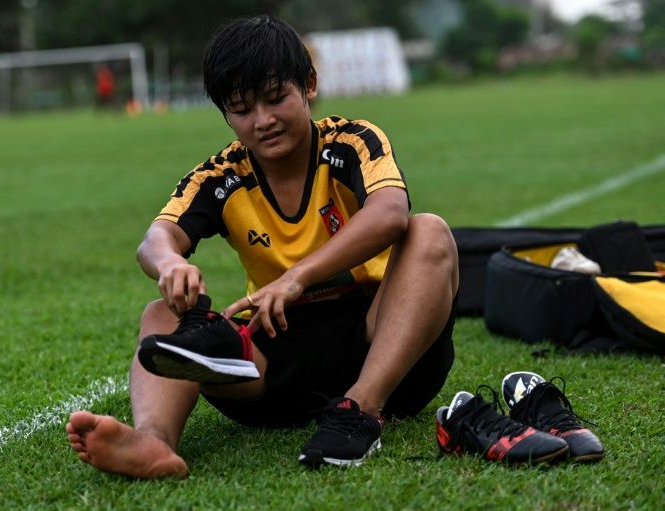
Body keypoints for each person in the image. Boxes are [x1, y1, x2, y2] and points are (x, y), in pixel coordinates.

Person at [66, 14, 459, 478]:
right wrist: (170, 263)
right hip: (273, 372)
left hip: (384, 350)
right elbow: (156, 238)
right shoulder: (221, 176)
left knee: (430, 231)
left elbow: (391, 212)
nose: (263, 121)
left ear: (308, 85)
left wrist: (296, 278)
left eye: (276, 99)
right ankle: (153, 441)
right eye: (242, 109)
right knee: (160, 315)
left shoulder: (353, 140)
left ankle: (361, 410)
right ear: (226, 114)